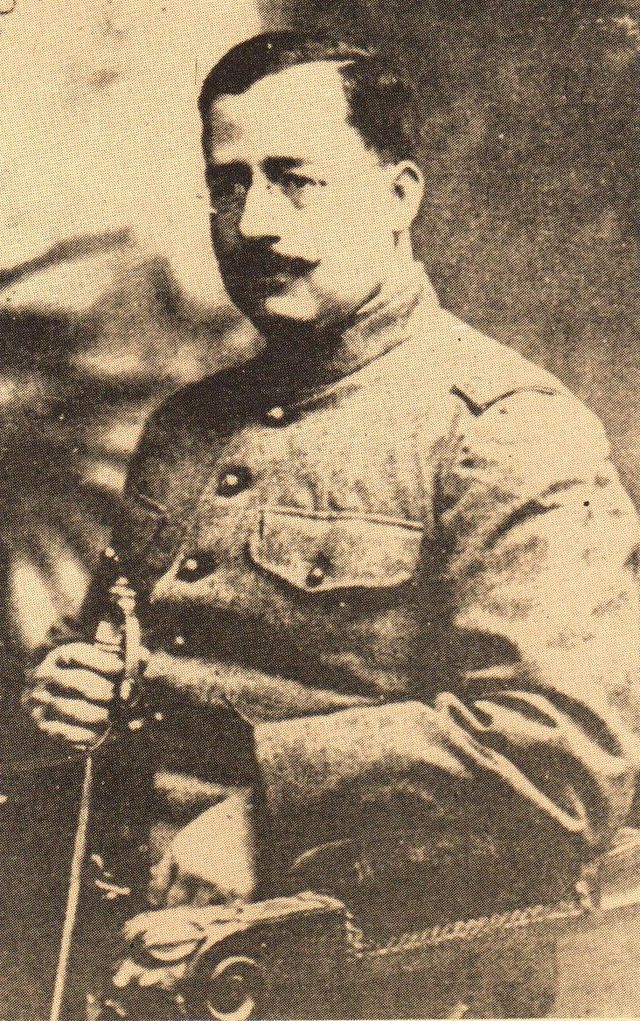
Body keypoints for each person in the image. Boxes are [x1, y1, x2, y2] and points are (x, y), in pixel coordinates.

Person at [24, 31, 640, 1017]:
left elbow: (559, 756)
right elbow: (122, 649)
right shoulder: (187, 426)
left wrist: (263, 814)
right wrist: (75, 680)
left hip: (364, 972)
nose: (254, 222)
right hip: (112, 946)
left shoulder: (505, 429)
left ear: (399, 194)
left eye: (295, 179)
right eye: (228, 184)